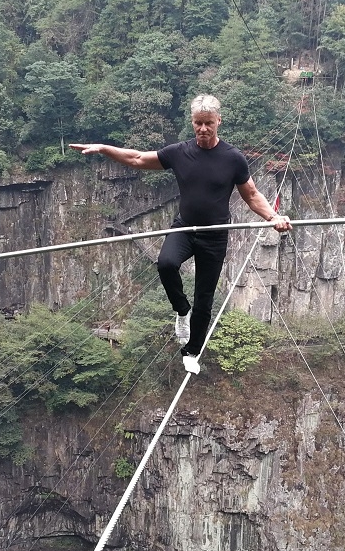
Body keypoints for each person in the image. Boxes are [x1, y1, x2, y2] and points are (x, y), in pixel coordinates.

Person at [70, 94, 291, 374]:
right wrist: (103, 148)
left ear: (218, 122)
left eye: (208, 123)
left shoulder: (233, 158)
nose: (203, 129)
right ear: (192, 122)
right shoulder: (179, 152)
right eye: (198, 123)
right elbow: (137, 159)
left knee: (205, 299)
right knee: (166, 264)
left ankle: (191, 351)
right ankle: (180, 309)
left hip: (215, 235)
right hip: (185, 228)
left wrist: (273, 217)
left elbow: (251, 195)